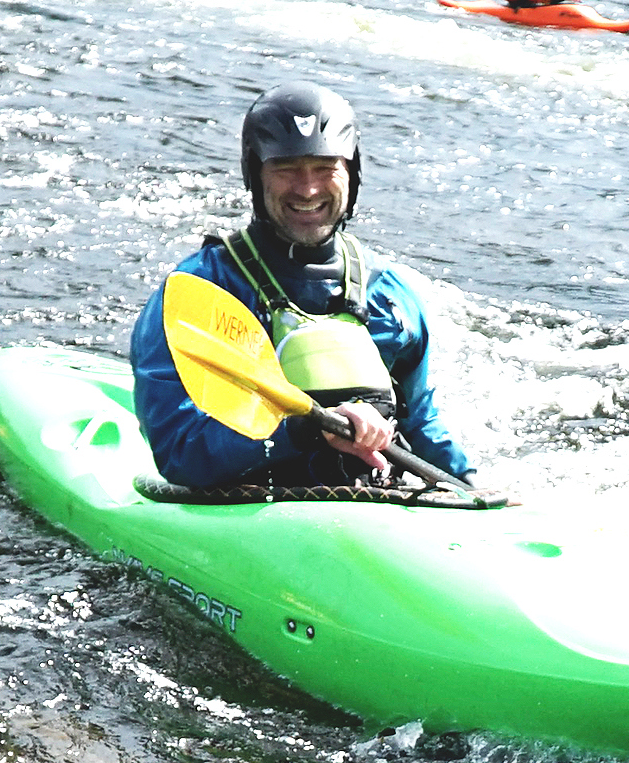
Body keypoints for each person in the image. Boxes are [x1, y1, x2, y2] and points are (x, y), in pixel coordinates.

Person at [129, 82, 476, 491]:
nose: (308, 189)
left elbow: (420, 421)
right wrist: (304, 431)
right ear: (255, 176)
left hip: (378, 504)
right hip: (250, 509)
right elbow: (180, 452)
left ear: (352, 173)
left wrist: (472, 485)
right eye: (286, 169)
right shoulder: (202, 292)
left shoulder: (391, 294)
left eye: (325, 168)